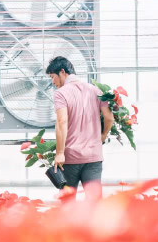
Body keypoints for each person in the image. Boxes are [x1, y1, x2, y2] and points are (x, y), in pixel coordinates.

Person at [46, 56, 114, 200]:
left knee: (67, 204)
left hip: (70, 160)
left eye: (53, 77)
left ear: (62, 72)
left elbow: (61, 122)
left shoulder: (61, 94)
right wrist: (103, 135)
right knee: (95, 204)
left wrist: (59, 153)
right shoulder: (96, 91)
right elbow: (109, 118)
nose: (53, 82)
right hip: (93, 158)